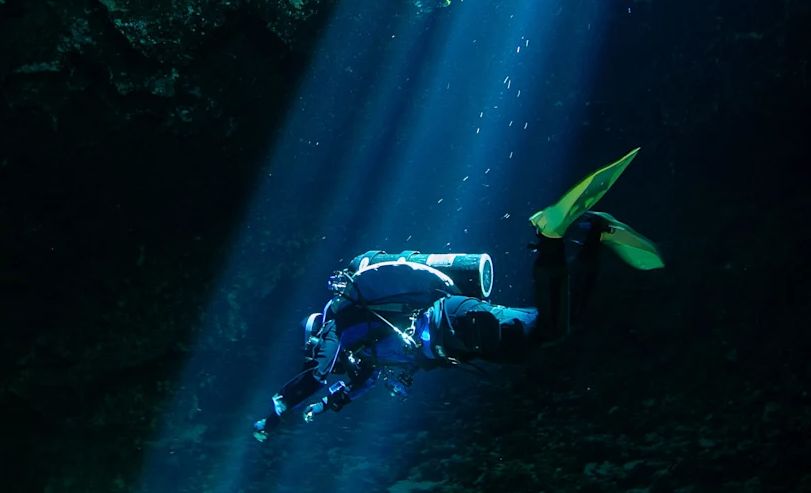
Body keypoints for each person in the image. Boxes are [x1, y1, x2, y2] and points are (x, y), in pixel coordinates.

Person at [252, 148, 664, 441]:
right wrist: (323, 408)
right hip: (458, 333)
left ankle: (550, 235)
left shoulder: (339, 322)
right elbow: (357, 384)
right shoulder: (364, 348)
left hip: (452, 321)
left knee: (551, 327)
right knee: (559, 326)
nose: (326, 355)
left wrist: (274, 413)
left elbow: (316, 375)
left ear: (318, 332)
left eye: (316, 346)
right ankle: (593, 235)